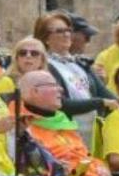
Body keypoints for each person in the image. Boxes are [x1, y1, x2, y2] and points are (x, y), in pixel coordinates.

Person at [35, 12, 114, 147]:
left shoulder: (80, 63)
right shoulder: (45, 67)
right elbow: (61, 104)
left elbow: (103, 91)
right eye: (60, 31)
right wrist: (100, 102)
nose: (66, 34)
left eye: (68, 30)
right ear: (46, 38)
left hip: (93, 132)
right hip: (67, 136)